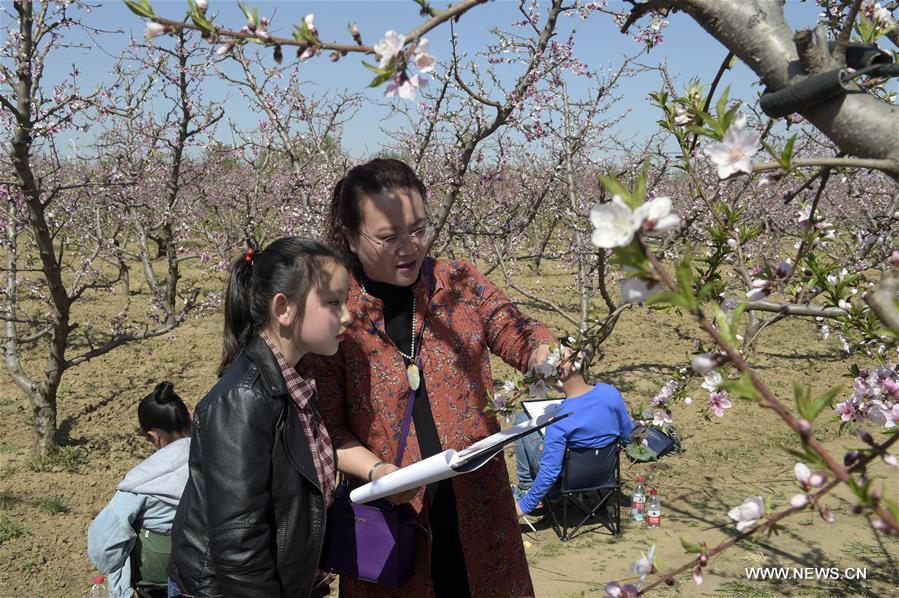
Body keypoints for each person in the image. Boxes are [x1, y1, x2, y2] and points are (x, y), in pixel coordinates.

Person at [303, 158, 588, 598]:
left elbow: (515, 329)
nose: (409, 246)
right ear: (349, 237)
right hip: (395, 527)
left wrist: (551, 358)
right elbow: (327, 428)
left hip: (479, 511)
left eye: (418, 229)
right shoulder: (340, 315)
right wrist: (379, 472)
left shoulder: (457, 284)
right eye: (389, 236)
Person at [168, 238, 351, 598]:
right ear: (283, 308)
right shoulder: (244, 400)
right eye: (333, 303)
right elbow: (239, 543)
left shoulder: (296, 379)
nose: (347, 315)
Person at [87, 381, 192, 598]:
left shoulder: (142, 482)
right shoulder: (223, 459)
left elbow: (102, 549)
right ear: (189, 417)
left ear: (154, 436)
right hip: (219, 569)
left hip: (161, 582)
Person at [514, 381, 634, 517]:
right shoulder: (611, 393)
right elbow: (627, 435)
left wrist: (523, 507)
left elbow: (550, 471)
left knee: (522, 420)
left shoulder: (560, 418)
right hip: (604, 472)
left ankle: (530, 488)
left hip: (569, 479)